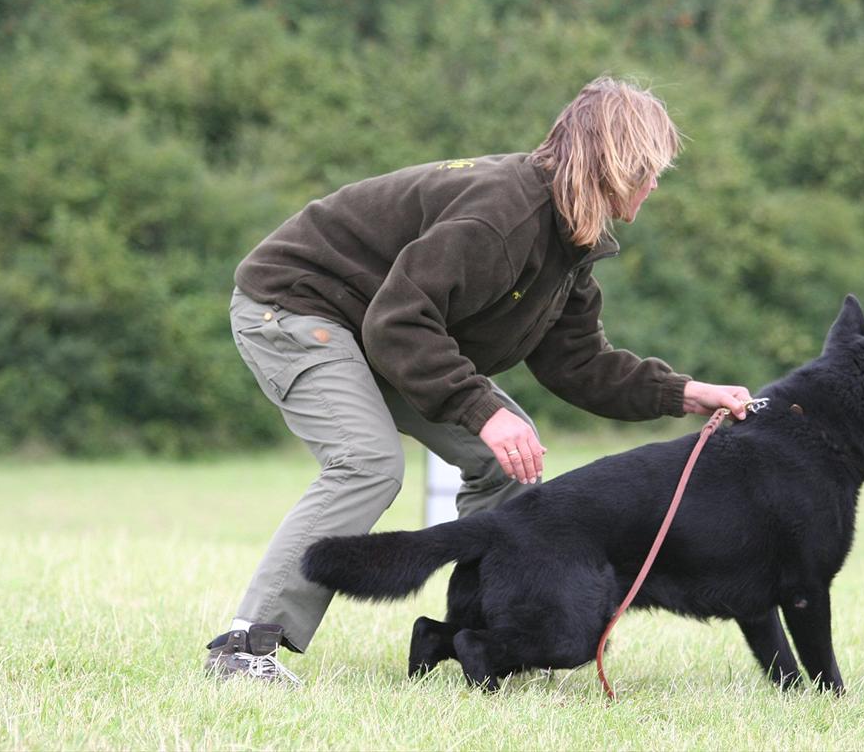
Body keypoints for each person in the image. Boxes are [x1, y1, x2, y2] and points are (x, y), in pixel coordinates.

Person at [205, 76, 753, 683]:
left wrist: (686, 394)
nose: (654, 185)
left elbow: (579, 363)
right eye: (649, 170)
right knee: (367, 463)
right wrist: (481, 410)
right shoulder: (502, 216)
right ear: (614, 165)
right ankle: (244, 649)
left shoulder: (570, 239)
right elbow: (398, 320)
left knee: (509, 458)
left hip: (377, 328)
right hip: (295, 306)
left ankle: (487, 638)